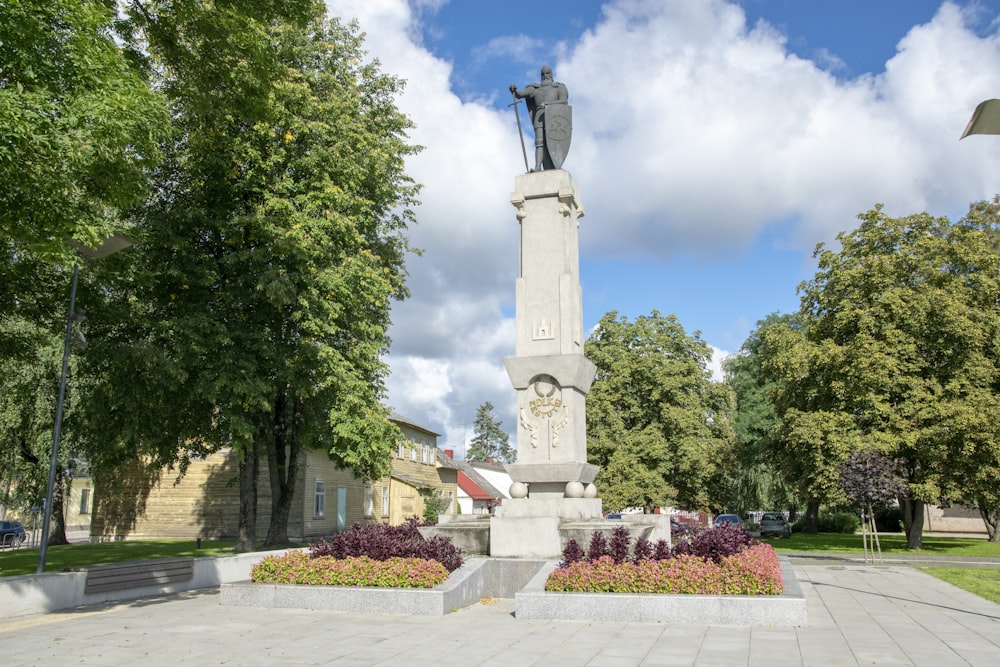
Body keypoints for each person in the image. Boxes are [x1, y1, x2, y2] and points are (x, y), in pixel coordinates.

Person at [510, 65, 569, 171]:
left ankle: (554, 165)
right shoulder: (535, 89)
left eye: (548, 73)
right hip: (539, 117)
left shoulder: (559, 87)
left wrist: (548, 104)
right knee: (539, 142)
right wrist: (514, 90)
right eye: (543, 74)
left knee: (553, 141)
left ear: (551, 74)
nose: (545, 75)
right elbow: (520, 94)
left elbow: (563, 101)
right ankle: (538, 167)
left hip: (554, 117)